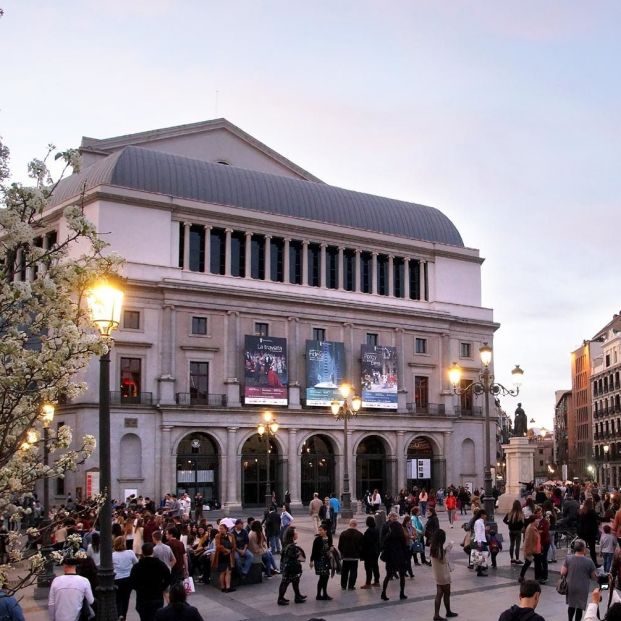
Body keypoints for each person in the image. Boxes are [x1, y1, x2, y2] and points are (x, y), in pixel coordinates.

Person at [130, 542, 172, 621]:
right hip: (157, 597)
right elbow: (168, 577)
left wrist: (139, 589)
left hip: (142, 598)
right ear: (152, 551)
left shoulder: (137, 566)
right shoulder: (160, 564)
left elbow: (132, 581)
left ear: (142, 552)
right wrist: (162, 587)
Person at [561, 539, 598, 621]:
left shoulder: (568, 558)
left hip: (570, 586)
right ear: (584, 549)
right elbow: (594, 577)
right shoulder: (589, 562)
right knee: (579, 607)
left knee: (571, 605)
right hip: (583, 587)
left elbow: (563, 572)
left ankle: (570, 619)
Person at [49, 556, 95, 621]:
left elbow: (51, 604)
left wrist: (52, 618)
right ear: (75, 566)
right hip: (77, 617)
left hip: (59, 618)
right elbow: (91, 601)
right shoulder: (84, 581)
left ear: (65, 566)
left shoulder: (56, 581)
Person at [380, 511, 408, 602]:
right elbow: (404, 543)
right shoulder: (399, 531)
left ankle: (384, 593)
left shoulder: (389, 535)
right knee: (402, 574)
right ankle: (402, 593)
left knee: (388, 575)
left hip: (390, 555)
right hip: (399, 554)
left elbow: (383, 542)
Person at [430, 528, 457, 620]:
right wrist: (448, 548)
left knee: (439, 593)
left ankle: (437, 614)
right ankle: (446, 612)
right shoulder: (439, 549)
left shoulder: (433, 547)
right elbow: (443, 560)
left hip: (437, 574)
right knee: (446, 593)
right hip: (443, 574)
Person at [277, 526, 307, 605]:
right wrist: (297, 554)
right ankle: (280, 599)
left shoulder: (288, 543)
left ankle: (297, 596)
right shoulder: (291, 546)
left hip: (289, 567)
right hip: (290, 568)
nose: (297, 534)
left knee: (295, 581)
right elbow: (292, 557)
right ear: (292, 535)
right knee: (285, 582)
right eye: (296, 533)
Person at [112, 534, 139, 621]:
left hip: (117, 579)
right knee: (126, 598)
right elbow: (136, 563)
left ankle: (119, 614)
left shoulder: (113, 555)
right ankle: (123, 615)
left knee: (117, 598)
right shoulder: (130, 553)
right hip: (128, 578)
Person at [338, 519, 363, 590]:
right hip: (354, 557)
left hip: (345, 556)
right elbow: (362, 546)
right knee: (353, 571)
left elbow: (340, 546)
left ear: (349, 524)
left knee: (344, 571)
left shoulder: (343, 533)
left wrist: (342, 553)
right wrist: (359, 553)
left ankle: (343, 585)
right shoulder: (360, 534)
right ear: (356, 525)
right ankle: (351, 586)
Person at [310, 523, 333, 600]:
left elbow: (330, 546)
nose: (319, 532)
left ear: (325, 531)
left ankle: (324, 593)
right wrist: (311, 561)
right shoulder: (317, 540)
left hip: (326, 560)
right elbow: (313, 551)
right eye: (319, 530)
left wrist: (331, 548)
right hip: (319, 560)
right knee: (322, 577)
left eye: (321, 530)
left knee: (326, 577)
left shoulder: (329, 538)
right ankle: (319, 594)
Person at [212, 522, 236, 593]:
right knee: (222, 572)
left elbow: (234, 545)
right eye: (220, 528)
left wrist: (231, 550)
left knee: (228, 571)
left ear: (226, 529)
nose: (221, 530)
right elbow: (218, 546)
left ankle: (227, 587)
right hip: (221, 556)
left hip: (229, 556)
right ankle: (223, 587)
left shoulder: (231, 535)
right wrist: (226, 550)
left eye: (222, 529)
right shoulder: (217, 536)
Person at [577, 498, 600, 567]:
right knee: (592, 549)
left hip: (583, 533)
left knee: (582, 548)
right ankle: (594, 563)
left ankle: (581, 563)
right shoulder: (592, 511)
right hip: (590, 533)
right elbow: (598, 518)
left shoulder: (582, 511)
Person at [360, 515, 380, 589]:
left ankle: (368, 583)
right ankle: (377, 581)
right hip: (376, 551)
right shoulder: (376, 529)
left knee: (368, 568)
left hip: (369, 552)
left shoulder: (368, 531)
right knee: (375, 566)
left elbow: (365, 543)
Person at [519, 516, 541, 584]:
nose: (538, 523)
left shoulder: (533, 528)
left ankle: (537, 577)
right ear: (533, 521)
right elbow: (529, 540)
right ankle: (522, 577)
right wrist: (528, 551)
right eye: (537, 521)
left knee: (536, 564)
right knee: (528, 563)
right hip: (532, 549)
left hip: (536, 549)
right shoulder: (531, 528)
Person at [504, 500, 525, 565]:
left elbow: (504, 520)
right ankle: (517, 559)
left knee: (512, 544)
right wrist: (521, 527)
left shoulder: (510, 513)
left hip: (511, 531)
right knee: (517, 545)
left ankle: (512, 558)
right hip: (518, 531)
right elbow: (523, 523)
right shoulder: (521, 514)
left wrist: (509, 524)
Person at [473, 509, 488, 577]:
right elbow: (478, 532)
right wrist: (479, 541)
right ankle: (479, 570)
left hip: (482, 540)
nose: (486, 516)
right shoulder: (478, 522)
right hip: (480, 541)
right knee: (482, 554)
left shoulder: (480, 522)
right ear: (482, 515)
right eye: (485, 515)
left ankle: (480, 568)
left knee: (481, 555)